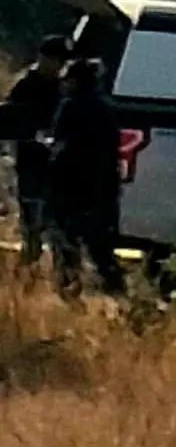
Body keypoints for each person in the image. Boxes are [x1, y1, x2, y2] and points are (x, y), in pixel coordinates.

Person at [47, 58, 124, 294]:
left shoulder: (70, 106)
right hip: (103, 188)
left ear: (75, 81)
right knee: (101, 248)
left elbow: (59, 144)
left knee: (66, 243)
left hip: (71, 187)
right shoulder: (107, 108)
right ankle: (117, 291)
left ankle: (68, 290)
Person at [6, 35, 72, 266]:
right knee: (32, 224)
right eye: (56, 60)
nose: (59, 67)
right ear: (43, 59)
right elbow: (11, 122)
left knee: (57, 226)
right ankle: (28, 273)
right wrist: (34, 135)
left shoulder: (63, 87)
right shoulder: (26, 85)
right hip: (31, 163)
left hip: (57, 166)